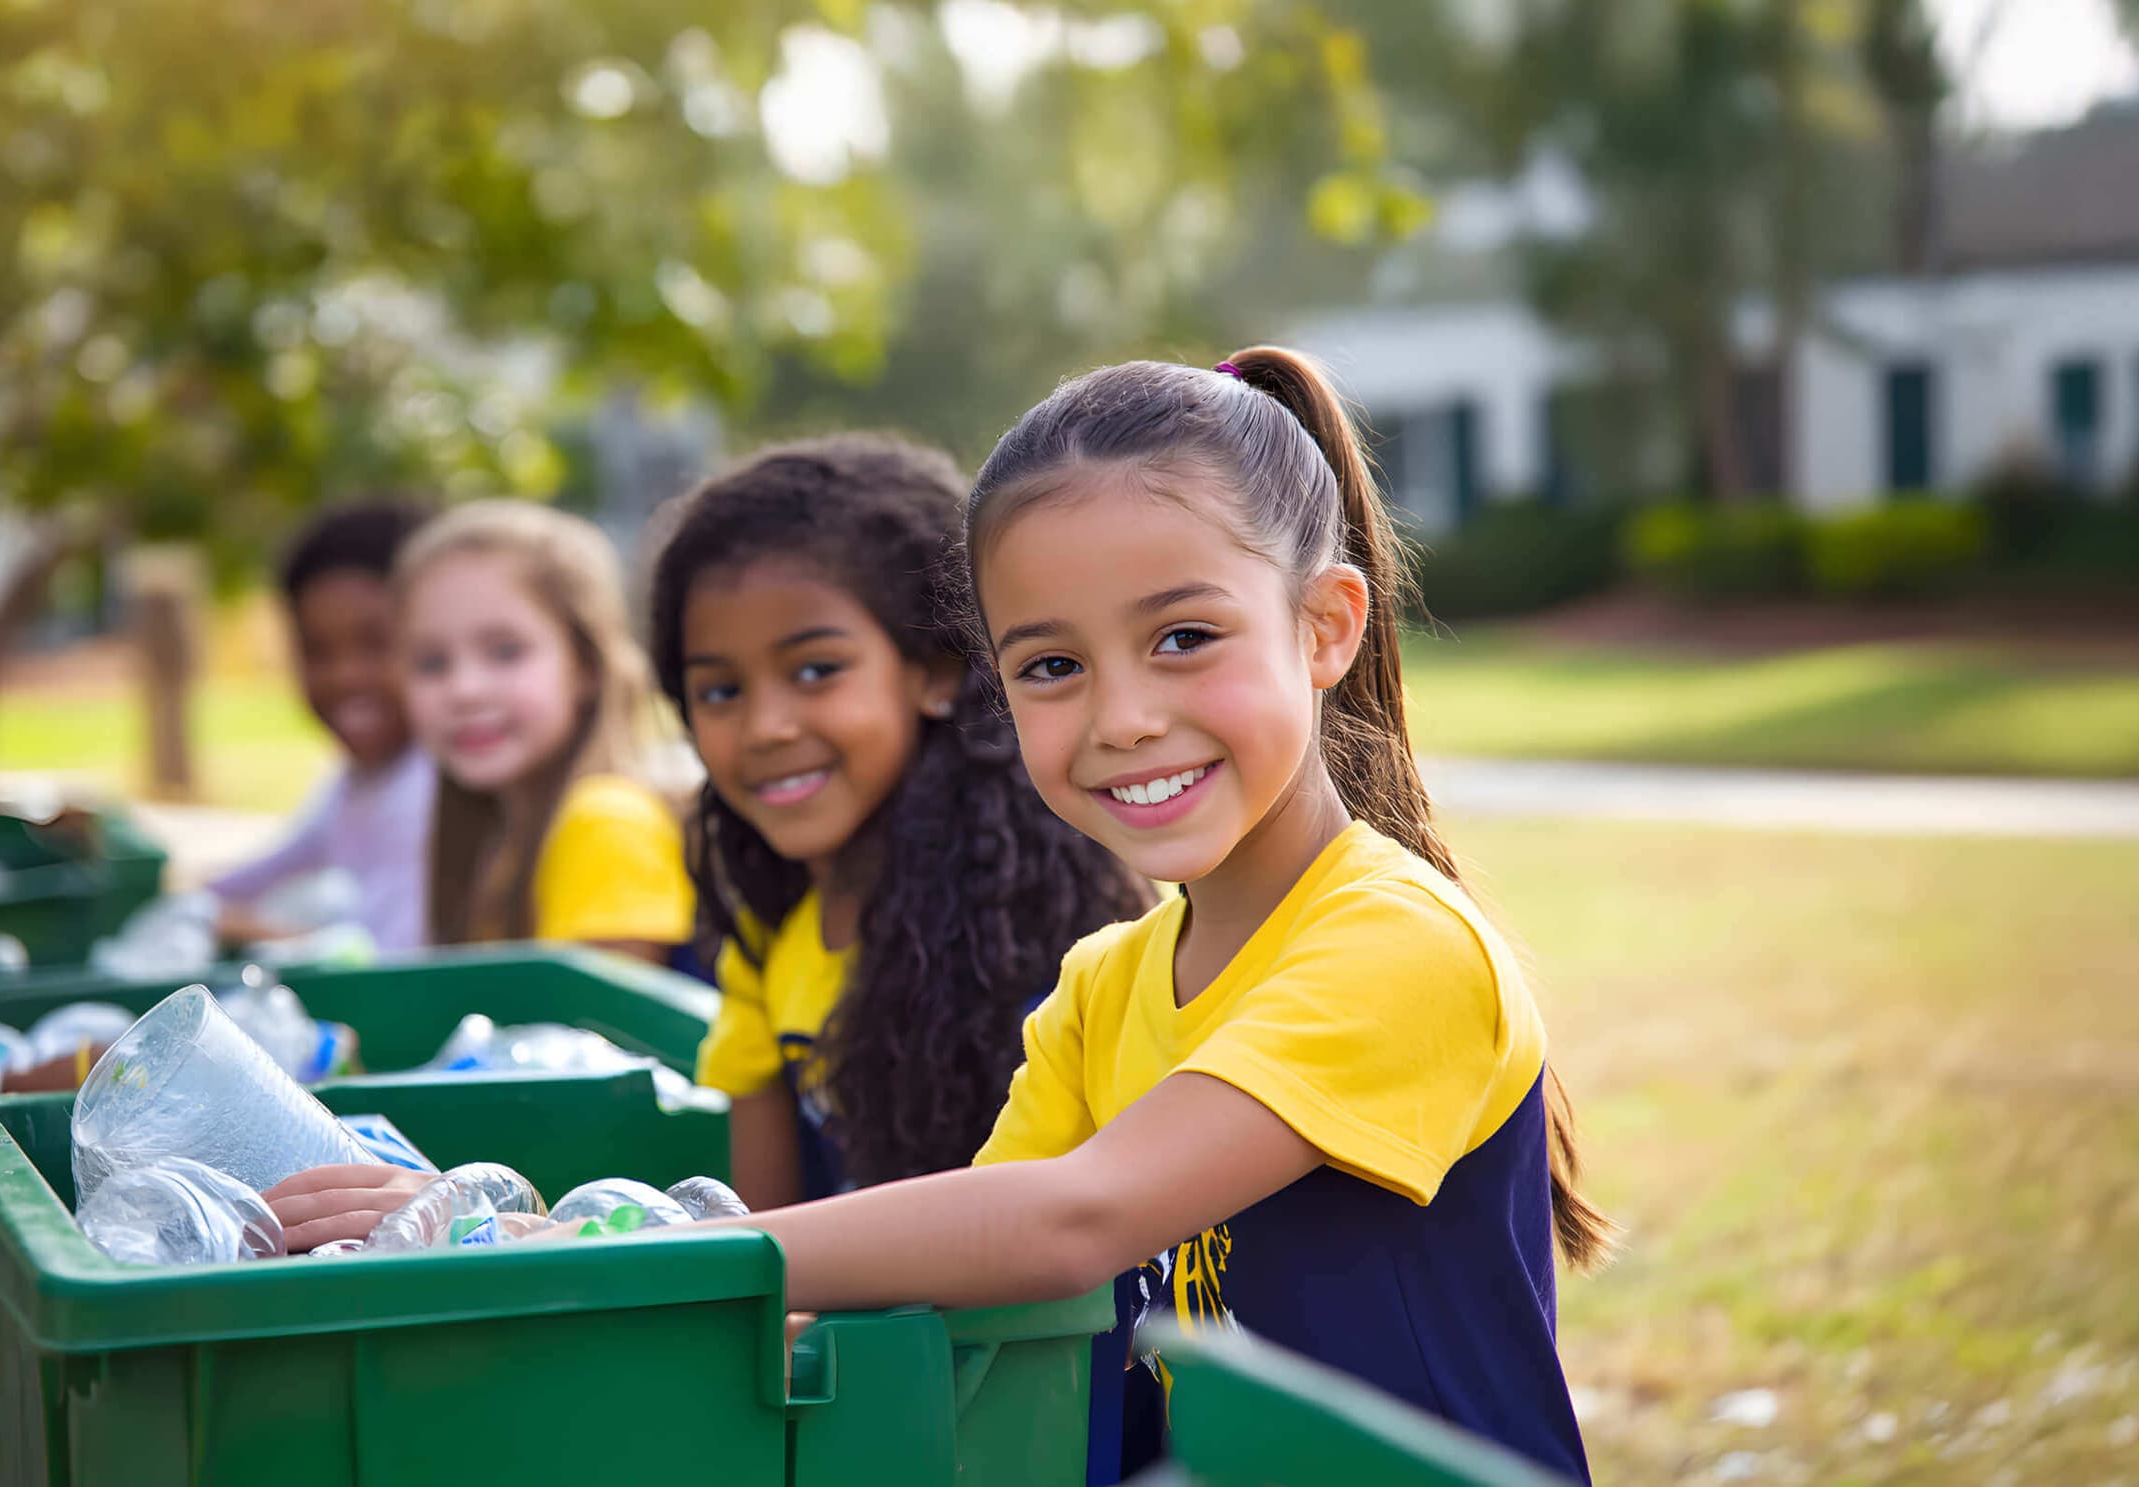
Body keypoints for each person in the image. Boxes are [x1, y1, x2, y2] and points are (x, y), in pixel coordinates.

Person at [273, 351, 1614, 1480]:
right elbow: (958, 1258)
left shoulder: (1396, 944)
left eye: (1184, 637)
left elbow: (1073, 1217)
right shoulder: (1107, 981)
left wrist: (600, 1241)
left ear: (1323, 628)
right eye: (1050, 664)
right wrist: (526, 1232)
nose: (1122, 715)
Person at [645, 436, 1155, 1208]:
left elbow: (1044, 1233)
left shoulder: (1050, 936)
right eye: (720, 691)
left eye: (816, 670)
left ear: (935, 671)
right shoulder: (768, 949)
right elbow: (771, 1245)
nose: (765, 727)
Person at [392, 500, 693, 962]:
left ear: (588, 666)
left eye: (506, 651)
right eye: (432, 662)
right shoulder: (496, 841)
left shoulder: (606, 823)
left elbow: (600, 1032)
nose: (465, 690)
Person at [207, 502, 439, 953]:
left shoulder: (428, 790)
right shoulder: (358, 783)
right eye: (317, 652)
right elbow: (262, 873)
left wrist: (245, 928)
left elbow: (392, 963)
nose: (344, 675)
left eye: (376, 643)